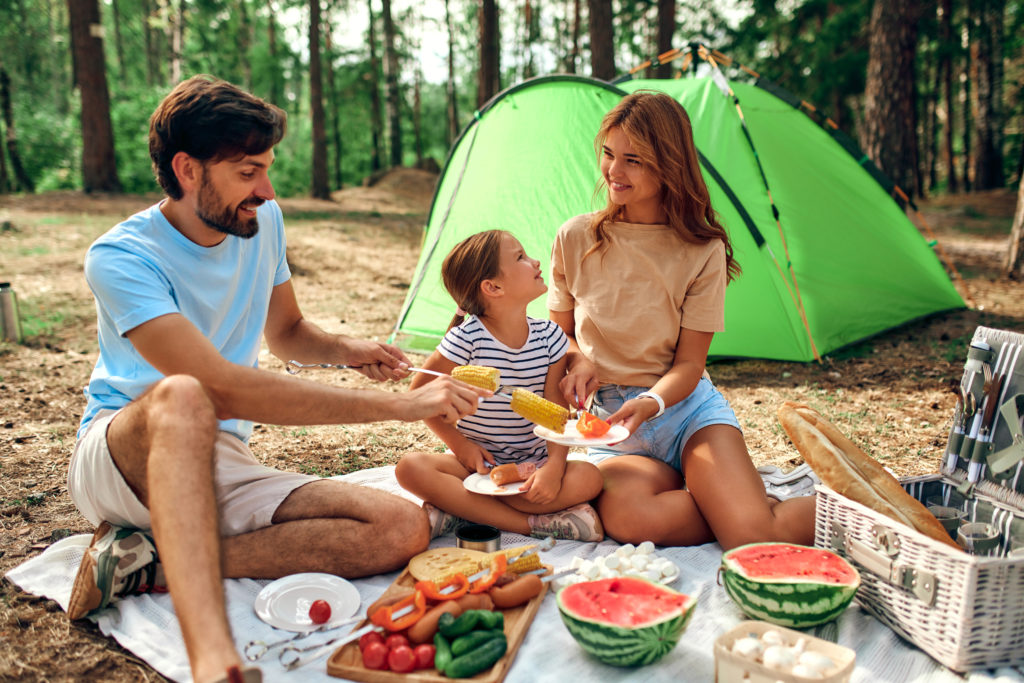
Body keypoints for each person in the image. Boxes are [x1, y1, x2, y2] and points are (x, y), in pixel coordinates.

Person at [65, 75, 488, 683]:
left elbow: (286, 332)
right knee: (186, 394)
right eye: (246, 172)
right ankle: (215, 662)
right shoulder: (121, 256)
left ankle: (148, 567)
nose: (265, 189)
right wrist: (398, 408)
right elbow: (219, 387)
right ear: (187, 170)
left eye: (266, 169)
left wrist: (348, 349)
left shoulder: (260, 223)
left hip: (218, 455)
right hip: (121, 455)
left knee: (401, 526)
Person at [548, 91, 816, 550]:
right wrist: (579, 359)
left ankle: (872, 511)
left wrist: (651, 404)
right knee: (631, 521)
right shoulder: (576, 237)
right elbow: (559, 333)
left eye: (633, 160)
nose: (614, 171)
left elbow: (690, 366)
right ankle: (735, 501)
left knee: (753, 537)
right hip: (610, 424)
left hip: (687, 413)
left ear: (669, 164)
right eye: (609, 154)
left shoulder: (702, 249)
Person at [395, 230, 604, 542]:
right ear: (492, 287)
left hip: (535, 465)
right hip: (478, 465)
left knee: (590, 478)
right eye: (520, 257)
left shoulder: (550, 336)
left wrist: (555, 468)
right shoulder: (466, 339)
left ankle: (460, 509)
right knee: (409, 468)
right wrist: (461, 447)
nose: (534, 261)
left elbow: (554, 409)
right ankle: (531, 525)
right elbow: (418, 396)